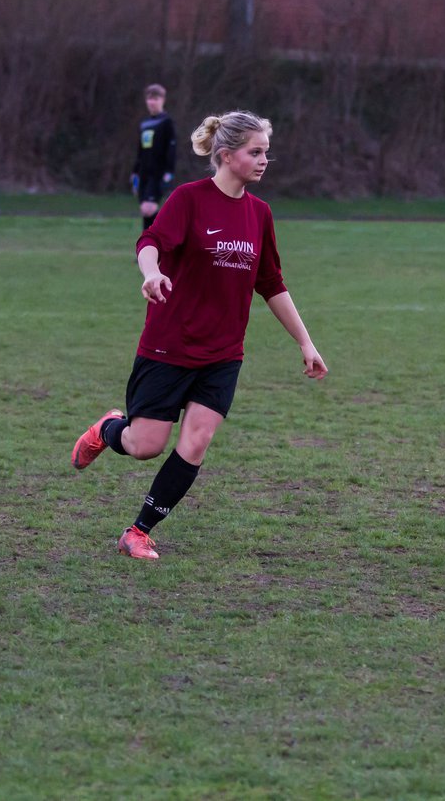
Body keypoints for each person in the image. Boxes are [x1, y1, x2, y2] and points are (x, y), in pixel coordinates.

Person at [73, 110, 328, 560]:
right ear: (227, 155)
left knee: (196, 441)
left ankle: (138, 531)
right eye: (256, 152)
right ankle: (109, 428)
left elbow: (271, 283)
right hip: (170, 345)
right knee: (145, 445)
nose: (265, 159)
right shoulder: (189, 199)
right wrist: (151, 274)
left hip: (223, 354)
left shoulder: (260, 214)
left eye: (266, 151)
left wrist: (306, 343)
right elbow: (149, 241)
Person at [131, 84, 177, 231]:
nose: (152, 102)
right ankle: (148, 249)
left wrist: (169, 172)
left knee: (149, 209)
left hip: (158, 173)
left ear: (162, 100)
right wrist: (135, 172)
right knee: (145, 212)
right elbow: (140, 151)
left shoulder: (167, 122)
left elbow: (171, 149)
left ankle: (157, 243)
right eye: (149, 99)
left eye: (155, 99)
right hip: (143, 173)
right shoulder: (144, 123)